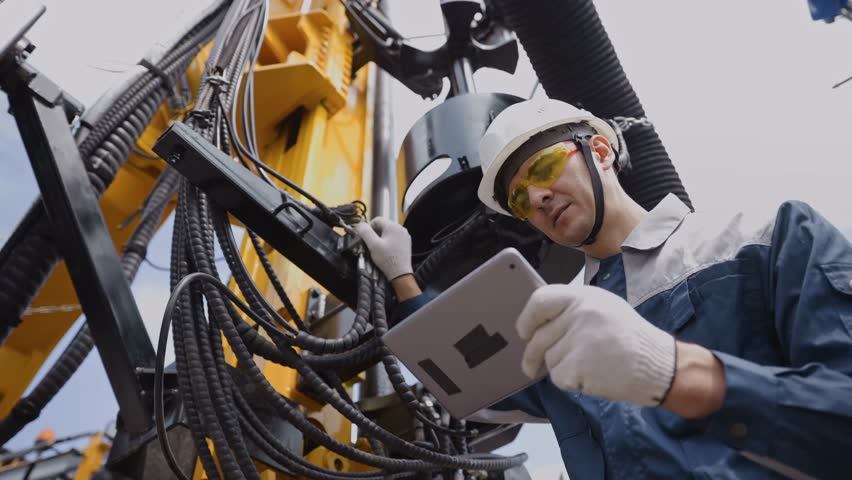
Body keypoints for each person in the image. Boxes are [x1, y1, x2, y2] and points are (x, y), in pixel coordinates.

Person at [354, 98, 852, 479]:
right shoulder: (554, 332)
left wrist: (674, 372)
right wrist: (402, 272)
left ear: (599, 151)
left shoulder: (766, 240)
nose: (537, 196)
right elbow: (455, 368)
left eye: (543, 169)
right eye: (519, 201)